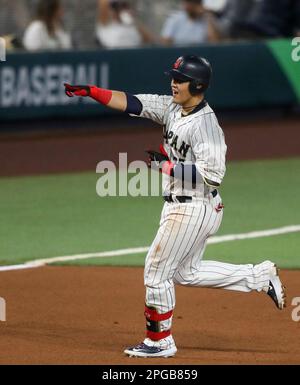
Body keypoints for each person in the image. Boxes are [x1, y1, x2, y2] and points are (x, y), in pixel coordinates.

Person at [64, 54, 286, 358]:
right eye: (173, 77)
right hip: (182, 206)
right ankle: (258, 276)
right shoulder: (173, 107)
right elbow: (134, 103)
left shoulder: (206, 126)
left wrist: (168, 168)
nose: (173, 83)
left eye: (179, 79)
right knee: (186, 273)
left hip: (194, 207)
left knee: (156, 271)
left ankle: (159, 341)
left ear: (196, 84)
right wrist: (93, 92)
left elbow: (213, 176)